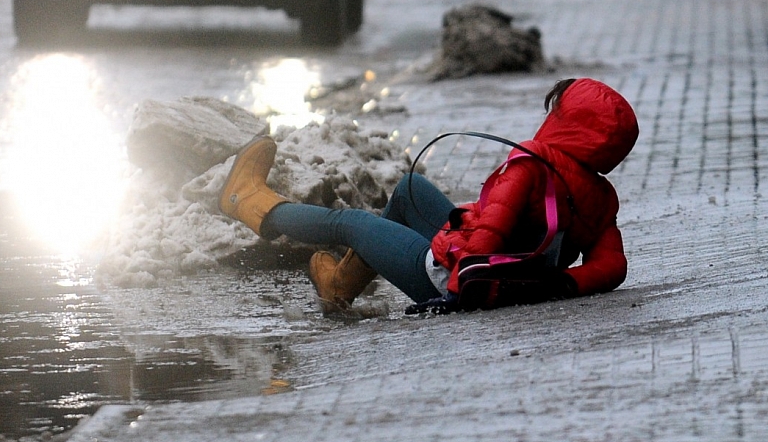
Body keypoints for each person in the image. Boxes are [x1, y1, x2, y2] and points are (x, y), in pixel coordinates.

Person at [218, 78, 639, 315]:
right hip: (488, 271)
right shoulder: (602, 198)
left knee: (349, 223)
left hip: (446, 275)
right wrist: (557, 284)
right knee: (408, 189)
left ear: (565, 122)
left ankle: (249, 201)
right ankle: (339, 285)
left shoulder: (532, 163)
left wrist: (458, 291)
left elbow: (490, 235)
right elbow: (612, 266)